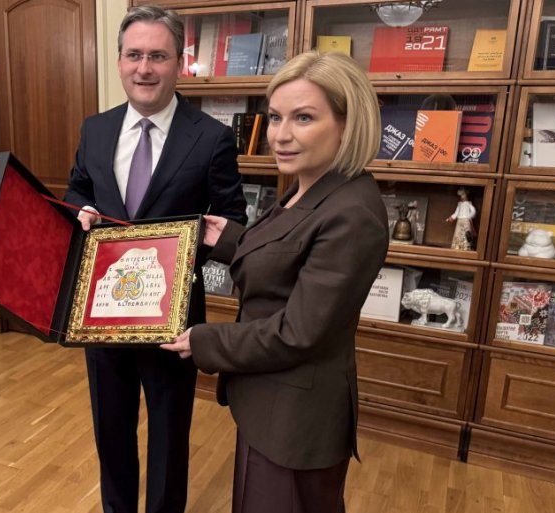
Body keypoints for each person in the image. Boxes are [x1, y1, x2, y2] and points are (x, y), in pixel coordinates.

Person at [162, 51, 390, 512]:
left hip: (296, 421)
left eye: (303, 118)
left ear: (347, 124)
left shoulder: (352, 212)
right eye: (275, 117)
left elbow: (298, 332)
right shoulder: (311, 184)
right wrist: (232, 240)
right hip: (268, 405)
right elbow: (292, 256)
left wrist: (205, 340)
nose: (280, 135)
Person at [63, 6, 247, 512]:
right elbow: (79, 189)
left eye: (158, 56)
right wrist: (80, 210)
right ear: (119, 61)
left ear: (178, 63)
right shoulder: (96, 129)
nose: (144, 68)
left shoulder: (210, 137)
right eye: (134, 55)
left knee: (168, 435)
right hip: (102, 313)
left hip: (173, 319)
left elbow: (232, 218)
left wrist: (188, 246)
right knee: (110, 430)